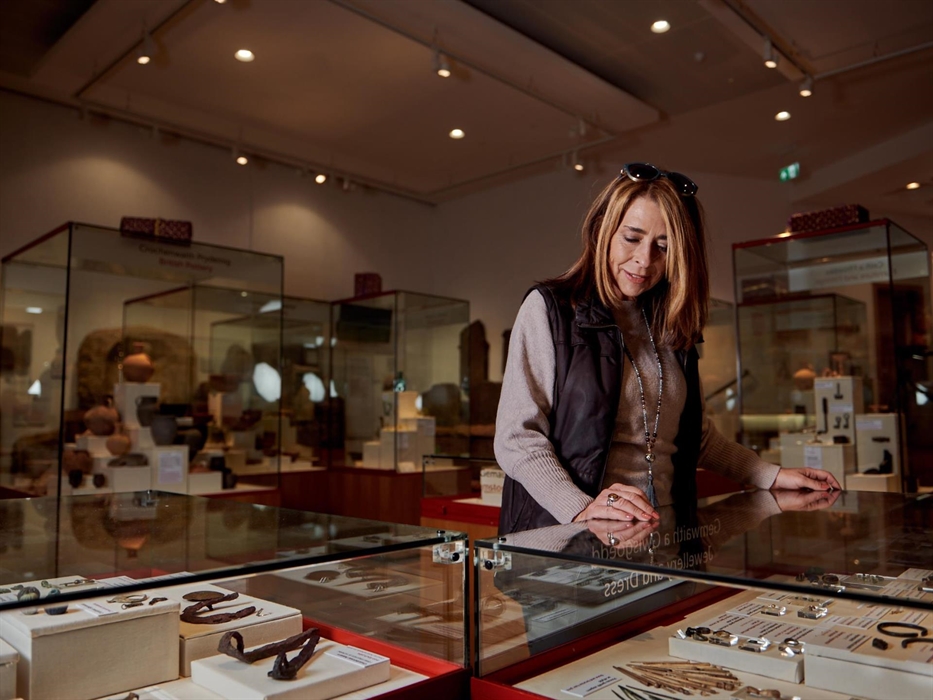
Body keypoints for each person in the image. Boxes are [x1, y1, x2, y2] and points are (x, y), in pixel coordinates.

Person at [494, 163, 840, 535]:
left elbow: (693, 436)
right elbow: (517, 438)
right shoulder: (550, 310)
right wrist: (581, 509)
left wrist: (770, 475)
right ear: (602, 231)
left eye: (663, 247)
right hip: (572, 542)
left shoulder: (670, 326)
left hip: (659, 539)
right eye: (631, 238)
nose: (645, 260)